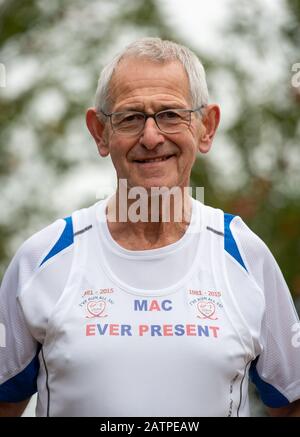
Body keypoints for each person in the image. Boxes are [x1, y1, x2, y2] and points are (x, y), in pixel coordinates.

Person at [0, 37, 300, 418]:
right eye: (130, 118)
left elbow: (292, 404)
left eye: (171, 114)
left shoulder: (245, 257)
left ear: (206, 127)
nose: (152, 137)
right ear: (99, 132)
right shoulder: (42, 259)